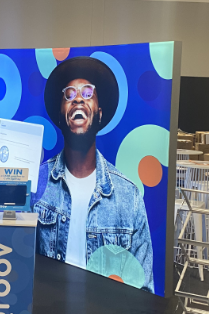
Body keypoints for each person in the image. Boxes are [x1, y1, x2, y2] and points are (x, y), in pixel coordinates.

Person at [34, 56, 154, 292]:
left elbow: (143, 292)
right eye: (69, 94)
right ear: (60, 115)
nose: (78, 98)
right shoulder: (36, 183)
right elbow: (17, 263)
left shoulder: (128, 197)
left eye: (88, 93)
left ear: (99, 114)